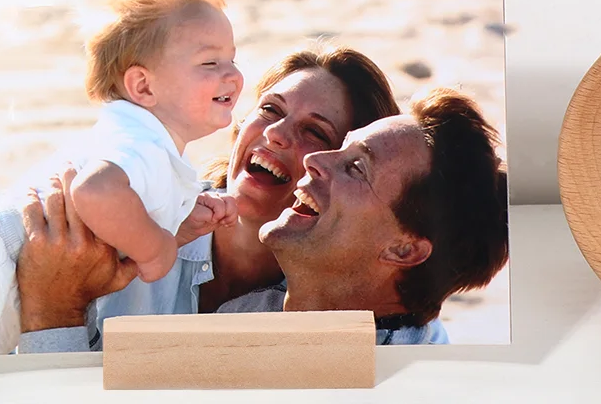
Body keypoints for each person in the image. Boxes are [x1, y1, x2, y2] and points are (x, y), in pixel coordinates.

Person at [7, 47, 401, 353]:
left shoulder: (334, 306)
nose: (276, 134)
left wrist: (53, 307)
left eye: (316, 132)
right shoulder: (134, 210)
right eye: (269, 110)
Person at [215, 89, 509, 342]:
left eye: (355, 168)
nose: (312, 160)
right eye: (342, 148)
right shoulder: (250, 312)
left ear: (404, 249)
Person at [69, 0, 243, 284]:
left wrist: (177, 226)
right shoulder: (142, 144)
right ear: (144, 87)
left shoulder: (137, 137)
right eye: (209, 63)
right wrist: (155, 251)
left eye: (233, 60)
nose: (233, 76)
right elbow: (94, 189)